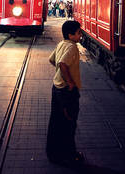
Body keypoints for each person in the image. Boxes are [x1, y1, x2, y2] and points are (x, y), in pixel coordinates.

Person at [46, 20, 84, 166]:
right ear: (71, 35)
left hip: (56, 88)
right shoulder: (72, 47)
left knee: (55, 122)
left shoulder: (61, 44)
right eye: (78, 33)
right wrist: (70, 82)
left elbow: (52, 60)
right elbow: (62, 63)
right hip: (67, 92)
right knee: (69, 123)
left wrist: (59, 74)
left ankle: (53, 153)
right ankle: (69, 155)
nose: (80, 35)